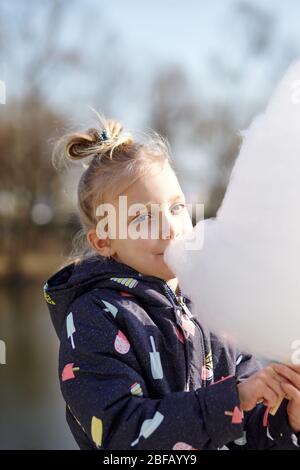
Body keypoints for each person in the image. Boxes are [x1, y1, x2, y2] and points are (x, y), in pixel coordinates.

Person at [44, 113, 300, 450]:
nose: (171, 228)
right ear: (103, 240)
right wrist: (232, 400)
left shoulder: (212, 303)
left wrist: (285, 418)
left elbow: (250, 428)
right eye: (143, 217)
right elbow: (121, 434)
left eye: (176, 208)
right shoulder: (95, 317)